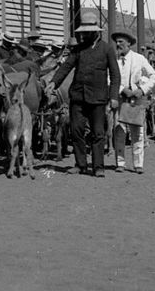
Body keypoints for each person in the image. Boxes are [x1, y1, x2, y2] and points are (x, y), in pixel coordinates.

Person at [48, 10, 120, 177]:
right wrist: (53, 82)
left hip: (98, 98)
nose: (84, 35)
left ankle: (98, 167)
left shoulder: (107, 49)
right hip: (78, 97)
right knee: (76, 131)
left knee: (98, 133)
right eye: (83, 32)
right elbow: (65, 67)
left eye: (87, 32)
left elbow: (115, 75)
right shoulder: (78, 49)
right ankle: (80, 165)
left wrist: (114, 97)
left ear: (95, 32)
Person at [110, 30, 155, 173]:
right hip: (120, 100)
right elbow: (108, 78)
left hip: (136, 100)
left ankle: (138, 165)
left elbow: (154, 76)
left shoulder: (139, 59)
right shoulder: (113, 60)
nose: (118, 45)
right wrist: (122, 89)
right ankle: (120, 163)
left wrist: (142, 90)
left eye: (121, 42)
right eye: (116, 42)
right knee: (119, 131)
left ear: (129, 43)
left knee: (138, 131)